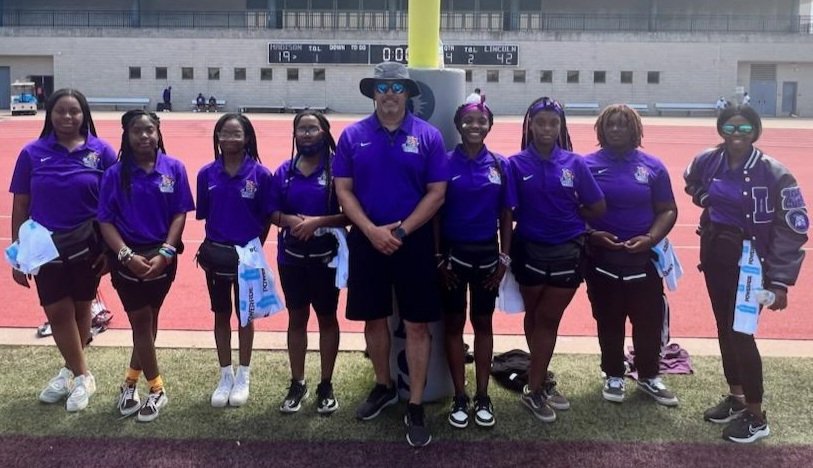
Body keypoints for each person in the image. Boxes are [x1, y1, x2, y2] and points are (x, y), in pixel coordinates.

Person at [333, 62, 448, 447]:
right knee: (374, 318)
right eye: (382, 87)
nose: (389, 94)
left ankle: (414, 404)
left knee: (417, 323)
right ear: (373, 93)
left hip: (411, 239)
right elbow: (344, 189)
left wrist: (400, 230)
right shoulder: (352, 136)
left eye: (397, 87)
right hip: (367, 238)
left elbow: (437, 192)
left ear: (408, 93)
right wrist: (369, 230)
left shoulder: (428, 136)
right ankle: (383, 385)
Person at [684, 105, 807, 443]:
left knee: (742, 332)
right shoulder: (708, 160)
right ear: (721, 129)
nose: (737, 135)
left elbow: (794, 228)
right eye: (730, 127)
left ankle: (756, 415)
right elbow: (691, 181)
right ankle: (736, 397)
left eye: (744, 129)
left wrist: (779, 281)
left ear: (755, 131)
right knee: (724, 327)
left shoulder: (775, 173)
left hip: (752, 263)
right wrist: (704, 196)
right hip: (715, 254)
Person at [9, 88, 117, 412]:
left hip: (88, 243)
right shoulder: (32, 153)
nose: (67, 117)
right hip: (44, 245)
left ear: (85, 115)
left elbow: (115, 202)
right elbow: (21, 205)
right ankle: (83, 374)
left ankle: (70, 372)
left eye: (74, 111)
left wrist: (111, 251)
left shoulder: (102, 152)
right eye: (60, 111)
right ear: (49, 114)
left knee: (83, 308)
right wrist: (19, 253)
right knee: (57, 311)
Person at [507, 97, 605, 423]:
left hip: (567, 251)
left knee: (548, 318)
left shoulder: (575, 164)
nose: (547, 129)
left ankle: (534, 389)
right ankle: (541, 378)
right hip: (529, 250)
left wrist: (571, 216)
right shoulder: (515, 164)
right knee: (534, 316)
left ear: (561, 127)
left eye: (553, 123)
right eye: (541, 123)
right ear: (530, 126)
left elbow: (597, 206)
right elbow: (509, 211)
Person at [98, 110, 195, 423]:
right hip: (127, 260)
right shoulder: (114, 173)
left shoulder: (174, 168)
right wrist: (126, 255)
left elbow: (180, 213)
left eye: (149, 130)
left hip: (163, 258)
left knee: (149, 322)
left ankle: (129, 382)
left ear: (158, 132)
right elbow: (105, 220)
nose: (143, 136)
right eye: (136, 131)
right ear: (126, 135)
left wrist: (166, 252)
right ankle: (156, 389)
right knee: (140, 322)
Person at [583, 104, 679, 407]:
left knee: (648, 320)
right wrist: (592, 234)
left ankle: (649, 375)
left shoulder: (653, 166)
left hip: (643, 260)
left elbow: (667, 209)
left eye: (623, 125)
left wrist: (650, 238)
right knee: (608, 319)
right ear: (601, 129)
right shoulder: (585, 165)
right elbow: (572, 209)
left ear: (635, 129)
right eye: (610, 124)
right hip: (602, 260)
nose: (615, 130)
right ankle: (613, 373)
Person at [437, 101, 513, 429]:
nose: (474, 126)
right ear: (458, 124)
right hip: (452, 258)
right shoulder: (443, 162)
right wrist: (438, 258)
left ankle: (483, 395)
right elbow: (435, 213)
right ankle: (459, 396)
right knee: (453, 325)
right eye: (468, 120)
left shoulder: (500, 164)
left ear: (489, 125)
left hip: (486, 257)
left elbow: (507, 214)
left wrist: (504, 259)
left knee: (483, 324)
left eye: (481, 121)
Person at [270, 110, 347, 415]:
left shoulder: (339, 169)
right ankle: (297, 382)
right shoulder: (284, 171)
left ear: (325, 133)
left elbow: (350, 214)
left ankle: (326, 384)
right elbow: (270, 212)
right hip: (291, 260)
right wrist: (289, 219)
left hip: (326, 259)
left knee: (327, 318)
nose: (305, 134)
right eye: (301, 129)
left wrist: (317, 222)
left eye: (312, 128)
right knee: (296, 318)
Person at [195, 113, 271, 408]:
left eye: (235, 134)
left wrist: (254, 248)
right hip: (216, 256)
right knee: (221, 313)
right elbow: (206, 215)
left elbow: (266, 217)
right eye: (223, 134)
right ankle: (225, 374)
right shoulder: (206, 174)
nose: (228, 139)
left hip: (247, 257)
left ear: (247, 138)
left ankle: (244, 374)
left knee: (246, 315)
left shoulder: (261, 175)